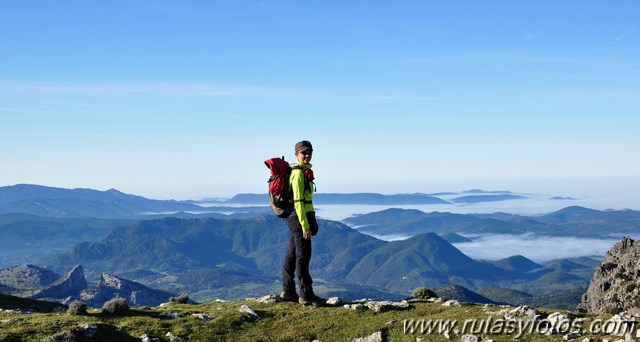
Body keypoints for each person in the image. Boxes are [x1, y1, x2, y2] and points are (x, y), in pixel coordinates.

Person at [280, 140, 326, 306]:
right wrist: (305, 225)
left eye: (309, 152)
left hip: (297, 216)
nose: (307, 155)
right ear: (296, 154)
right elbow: (299, 201)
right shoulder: (299, 174)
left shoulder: (303, 171)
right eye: (303, 153)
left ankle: (288, 291)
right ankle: (306, 294)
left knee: (292, 254)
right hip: (299, 217)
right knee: (303, 256)